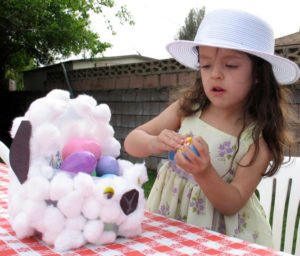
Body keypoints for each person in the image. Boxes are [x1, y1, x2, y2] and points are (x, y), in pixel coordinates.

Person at [124, 9, 300, 247]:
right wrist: (154, 143)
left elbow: (233, 202)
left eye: (230, 65)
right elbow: (132, 141)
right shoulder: (188, 108)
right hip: (171, 223)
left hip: (222, 238)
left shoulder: (259, 135)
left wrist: (204, 172)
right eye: (206, 65)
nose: (215, 74)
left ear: (258, 74)